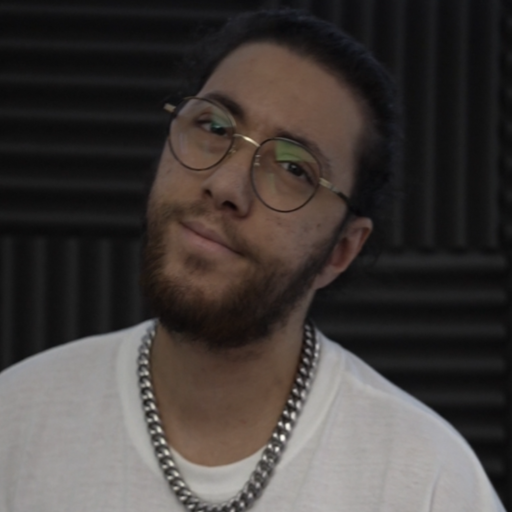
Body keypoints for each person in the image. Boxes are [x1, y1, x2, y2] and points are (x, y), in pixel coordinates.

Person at [0, 9, 505, 512]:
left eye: (293, 168)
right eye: (214, 126)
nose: (225, 185)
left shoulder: (428, 479)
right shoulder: (17, 418)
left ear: (340, 251)